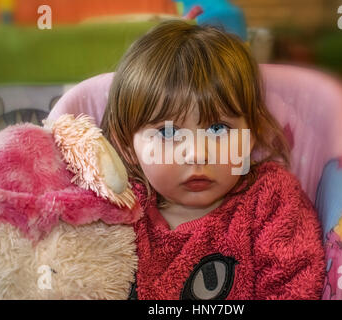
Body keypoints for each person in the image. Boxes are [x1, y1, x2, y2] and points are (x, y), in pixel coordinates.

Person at [101, 20, 326, 300]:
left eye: (218, 128)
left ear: (251, 135)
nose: (196, 153)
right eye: (168, 132)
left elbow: (294, 288)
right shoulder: (112, 211)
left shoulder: (271, 201)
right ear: (127, 146)